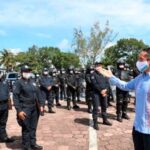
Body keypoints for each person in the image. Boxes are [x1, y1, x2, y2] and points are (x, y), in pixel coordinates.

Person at [98, 48, 150, 150]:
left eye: (141, 59)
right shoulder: (140, 78)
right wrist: (111, 77)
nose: (138, 62)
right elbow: (126, 86)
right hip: (138, 127)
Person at [13, 65, 44, 150]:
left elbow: (38, 93)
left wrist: (41, 105)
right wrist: (19, 111)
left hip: (35, 107)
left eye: (29, 71)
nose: (28, 73)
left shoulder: (33, 81)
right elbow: (15, 97)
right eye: (26, 72)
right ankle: (26, 146)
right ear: (22, 73)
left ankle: (33, 144)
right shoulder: (18, 83)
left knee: (33, 127)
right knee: (26, 127)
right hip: (25, 108)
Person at [90, 62, 112, 130]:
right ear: (95, 67)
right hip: (96, 93)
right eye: (96, 66)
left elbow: (107, 83)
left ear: (101, 66)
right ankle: (95, 122)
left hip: (104, 93)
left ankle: (105, 120)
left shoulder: (104, 74)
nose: (98, 67)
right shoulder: (93, 74)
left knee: (104, 106)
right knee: (96, 108)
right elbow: (94, 84)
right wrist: (101, 90)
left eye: (99, 66)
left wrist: (105, 90)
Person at [0, 71, 15, 143]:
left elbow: (8, 92)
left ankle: (3, 137)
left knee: (3, 122)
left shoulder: (5, 82)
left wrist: (9, 104)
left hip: (4, 105)